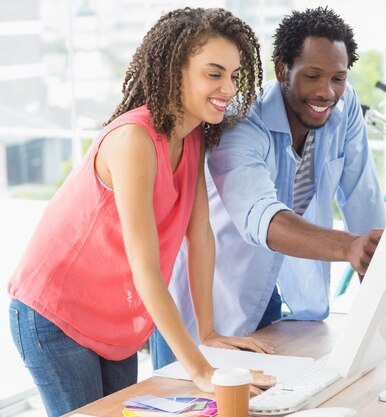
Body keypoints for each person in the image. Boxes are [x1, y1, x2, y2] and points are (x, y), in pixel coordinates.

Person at [7, 7, 275, 417]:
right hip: (56, 313)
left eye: (235, 75)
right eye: (214, 73)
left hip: (114, 320)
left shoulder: (192, 137)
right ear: (174, 71)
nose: (228, 87)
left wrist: (208, 332)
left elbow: (199, 235)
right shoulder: (133, 139)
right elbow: (145, 268)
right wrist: (201, 370)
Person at [151, 6, 386, 369]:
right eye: (312, 76)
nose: (327, 92)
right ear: (282, 70)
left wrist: (385, 279)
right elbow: (261, 217)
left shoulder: (345, 105)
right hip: (209, 302)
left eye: (338, 78)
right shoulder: (241, 122)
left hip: (271, 292)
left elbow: (362, 194)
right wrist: (350, 247)